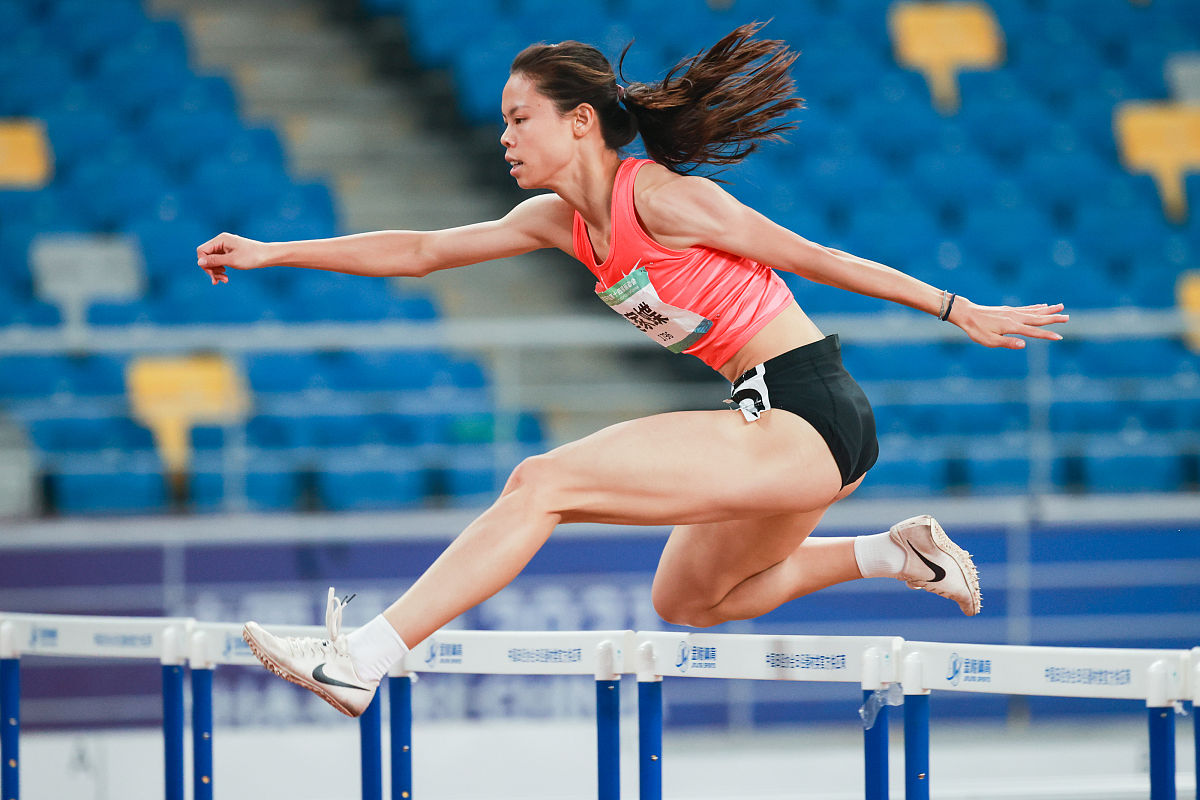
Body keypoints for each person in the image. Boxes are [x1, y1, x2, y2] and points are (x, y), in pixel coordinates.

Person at [197, 23, 1067, 717]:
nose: (503, 135)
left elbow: (815, 256)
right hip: (776, 420)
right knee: (691, 600)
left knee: (540, 481)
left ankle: (366, 658)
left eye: (518, 117)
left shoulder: (663, 198)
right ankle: (893, 553)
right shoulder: (555, 220)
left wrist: (960, 309)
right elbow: (422, 249)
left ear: (579, 120)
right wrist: (277, 251)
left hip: (807, 410)